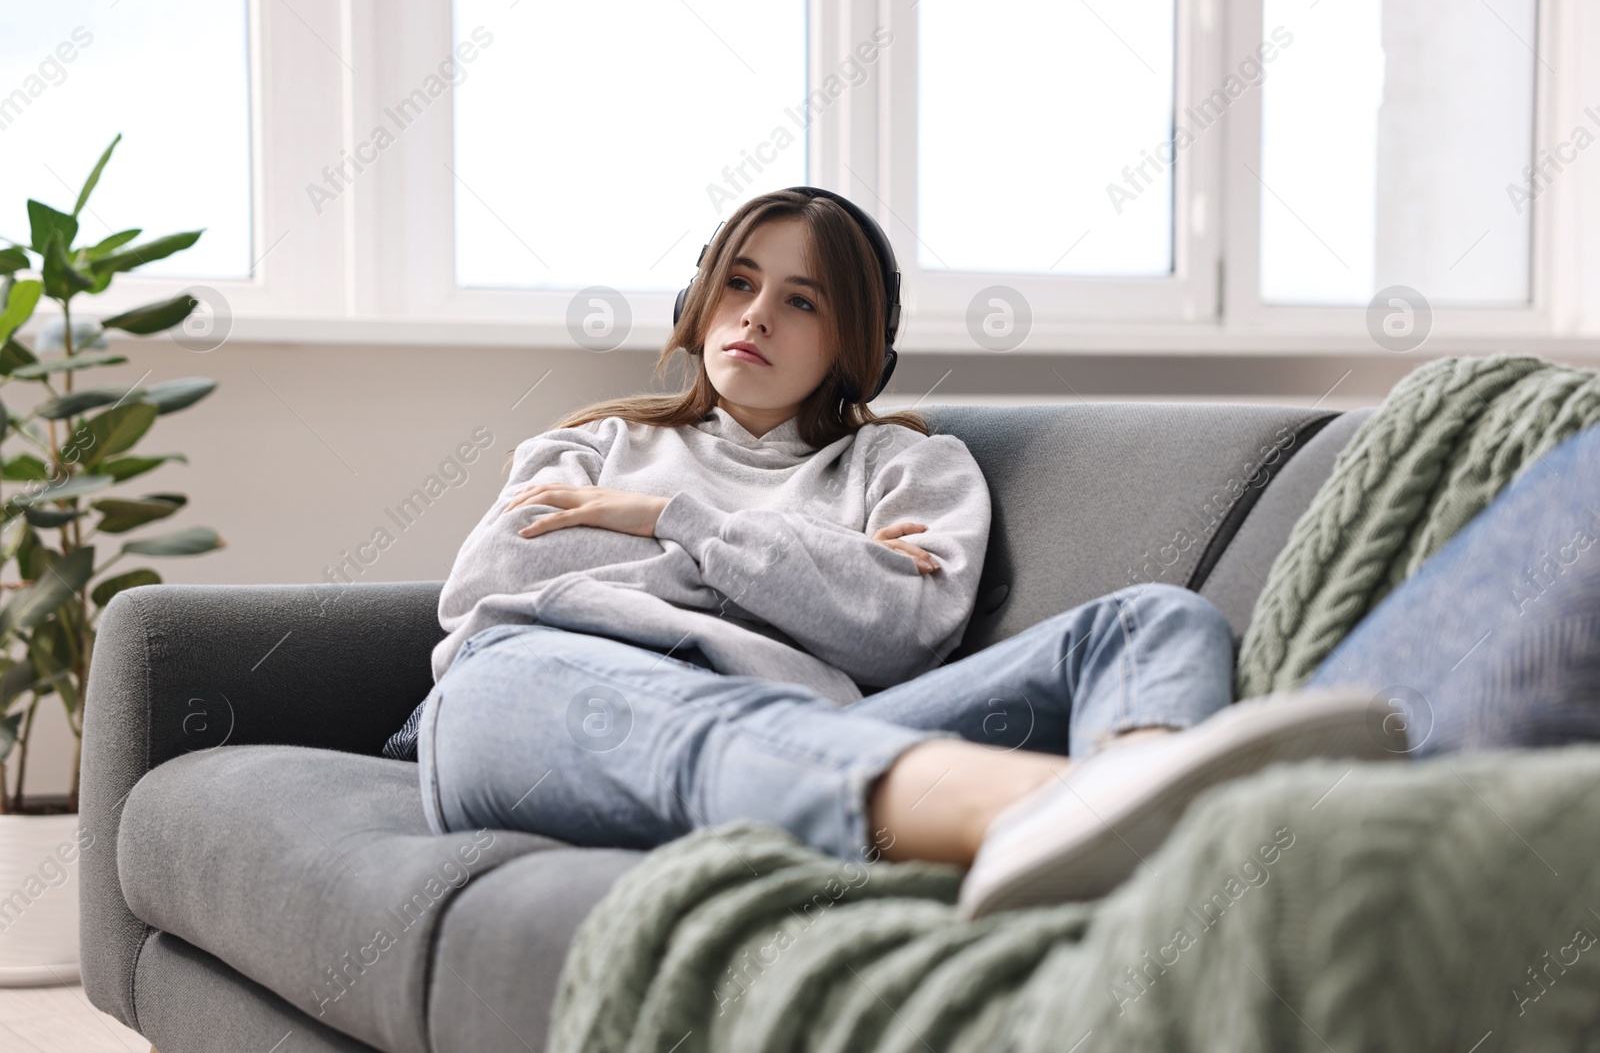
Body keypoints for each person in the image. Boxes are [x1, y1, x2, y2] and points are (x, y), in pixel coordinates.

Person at [388, 187, 1600, 919]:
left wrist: (669, 530)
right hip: (521, 700)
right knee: (626, 692)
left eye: (800, 300)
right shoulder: (589, 444)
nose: (753, 316)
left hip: (821, 715)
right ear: (703, 301)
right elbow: (497, 600)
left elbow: (899, 629)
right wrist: (795, 576)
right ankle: (1096, 813)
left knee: (1150, 620)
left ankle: (1140, 795)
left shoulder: (907, 468)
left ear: (852, 339)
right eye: (739, 284)